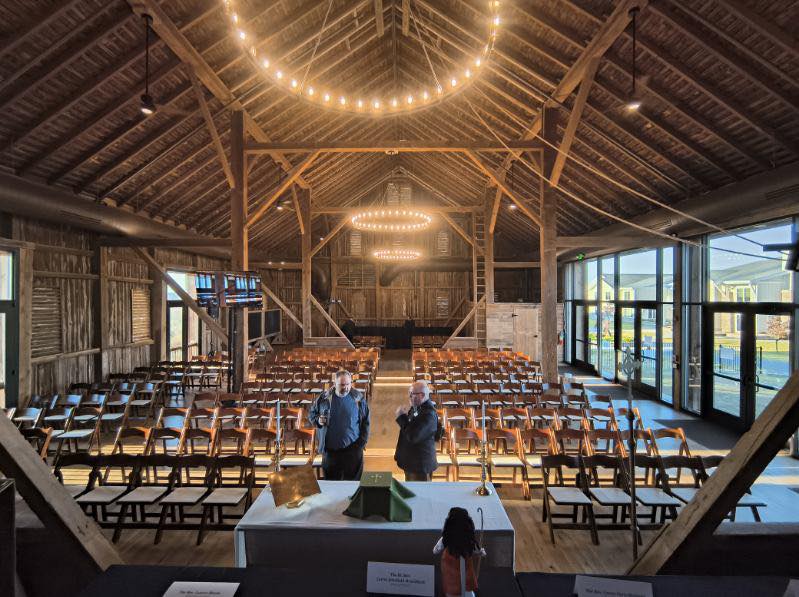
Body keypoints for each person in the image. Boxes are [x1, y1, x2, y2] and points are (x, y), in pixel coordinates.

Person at [308, 370, 370, 480]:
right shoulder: (324, 398)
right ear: (334, 383)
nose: (346, 388)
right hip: (331, 452)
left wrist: (361, 444)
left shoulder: (358, 399)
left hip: (353, 451)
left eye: (348, 384)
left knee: (352, 486)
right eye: (342, 385)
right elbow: (312, 414)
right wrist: (318, 420)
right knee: (332, 485)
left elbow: (366, 422)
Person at [433, 507, 486, 597]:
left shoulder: (447, 538)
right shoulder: (466, 539)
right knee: (459, 580)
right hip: (456, 565)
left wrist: (480, 551)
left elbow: (435, 551)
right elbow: (476, 550)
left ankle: (457, 592)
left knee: (456, 581)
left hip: (453, 565)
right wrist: (480, 552)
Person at [394, 380, 439, 481]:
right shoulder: (418, 408)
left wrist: (402, 417)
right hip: (412, 462)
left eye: (412, 394)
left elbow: (413, 436)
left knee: (419, 494)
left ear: (422, 395)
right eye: (409, 393)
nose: (409, 396)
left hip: (420, 465)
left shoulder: (428, 414)